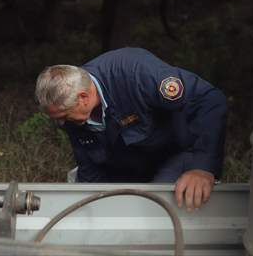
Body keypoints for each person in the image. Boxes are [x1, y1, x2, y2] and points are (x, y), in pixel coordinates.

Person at [35, 48, 227, 211]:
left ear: (83, 97)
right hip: (128, 162)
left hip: (174, 151)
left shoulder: (138, 73)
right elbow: (89, 163)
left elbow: (208, 100)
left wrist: (203, 167)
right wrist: (87, 202)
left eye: (64, 117)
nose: (62, 124)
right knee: (102, 210)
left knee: (154, 207)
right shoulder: (70, 108)